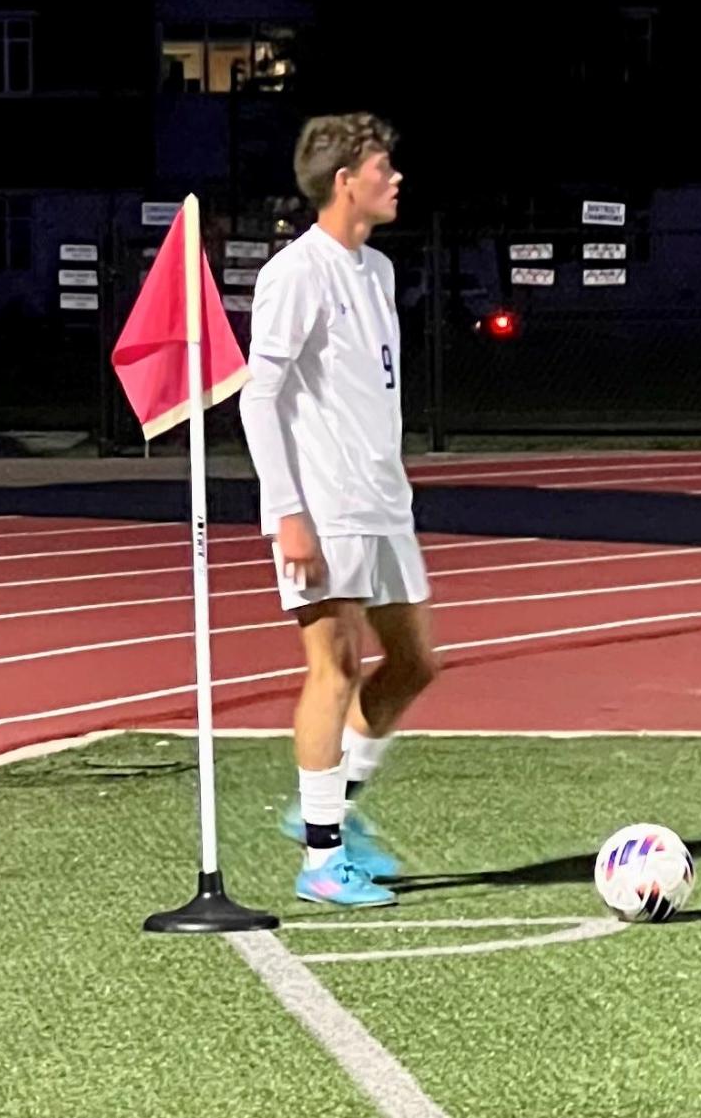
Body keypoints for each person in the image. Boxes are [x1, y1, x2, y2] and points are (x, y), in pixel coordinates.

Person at [239, 112, 439, 907]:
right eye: (384, 166)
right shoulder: (297, 272)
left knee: (416, 663)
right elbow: (260, 394)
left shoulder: (378, 271)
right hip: (323, 506)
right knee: (336, 668)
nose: (396, 179)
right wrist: (287, 511)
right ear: (344, 179)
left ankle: (327, 807)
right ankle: (322, 858)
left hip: (384, 501)